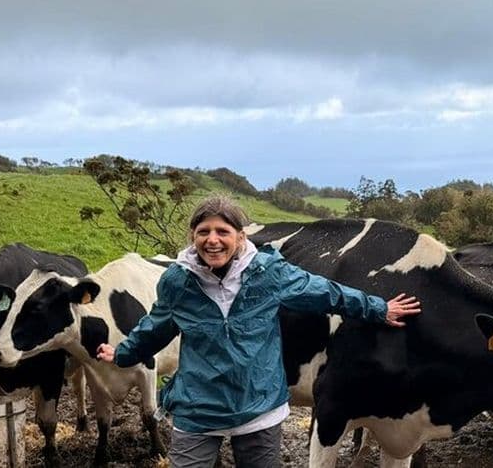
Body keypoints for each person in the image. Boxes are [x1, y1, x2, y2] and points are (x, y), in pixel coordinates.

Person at [96, 194, 421, 468]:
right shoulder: (178, 282)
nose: (212, 239)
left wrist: (379, 308)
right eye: (203, 231)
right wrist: (124, 352)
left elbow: (326, 292)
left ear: (240, 237)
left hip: (258, 408)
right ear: (192, 237)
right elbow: (156, 325)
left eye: (222, 231)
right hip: (198, 408)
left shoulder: (268, 272)